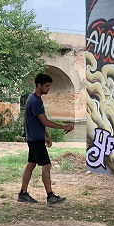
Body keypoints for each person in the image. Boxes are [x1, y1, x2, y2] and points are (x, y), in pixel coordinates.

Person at [18, 73, 74, 205]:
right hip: (35, 139)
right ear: (39, 85)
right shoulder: (35, 101)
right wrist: (64, 126)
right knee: (46, 165)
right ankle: (50, 196)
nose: (49, 89)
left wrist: (46, 136)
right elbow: (45, 121)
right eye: (47, 86)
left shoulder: (34, 98)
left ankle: (23, 193)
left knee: (31, 164)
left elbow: (37, 122)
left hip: (34, 137)